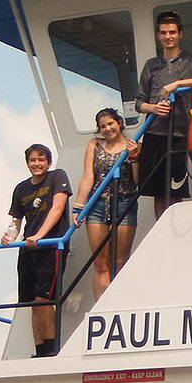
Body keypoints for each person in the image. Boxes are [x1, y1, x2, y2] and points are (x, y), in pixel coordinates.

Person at [136, 10, 192, 218]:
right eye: (163, 33)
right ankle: (161, 233)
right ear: (158, 35)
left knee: (175, 190)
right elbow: (139, 102)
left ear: (180, 34)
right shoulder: (151, 65)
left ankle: (175, 232)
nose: (168, 37)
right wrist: (153, 108)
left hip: (180, 134)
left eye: (172, 32)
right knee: (157, 192)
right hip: (154, 133)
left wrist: (179, 84)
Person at [2, 143, 71, 357]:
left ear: (48, 162)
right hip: (28, 248)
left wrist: (40, 236)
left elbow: (58, 208)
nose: (37, 164)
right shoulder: (21, 188)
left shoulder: (57, 176)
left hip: (50, 246)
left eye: (41, 159)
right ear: (27, 164)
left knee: (44, 299)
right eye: (33, 160)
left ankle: (51, 350)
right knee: (32, 302)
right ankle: (39, 350)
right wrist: (10, 235)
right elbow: (16, 220)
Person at [72, 108, 141, 302]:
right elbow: (88, 177)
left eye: (110, 123)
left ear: (119, 123)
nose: (107, 129)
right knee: (100, 263)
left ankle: (119, 304)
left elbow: (138, 182)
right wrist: (78, 206)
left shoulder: (135, 145)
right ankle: (101, 306)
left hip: (125, 203)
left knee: (120, 262)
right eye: (102, 126)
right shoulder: (94, 144)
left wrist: (134, 156)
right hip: (97, 204)